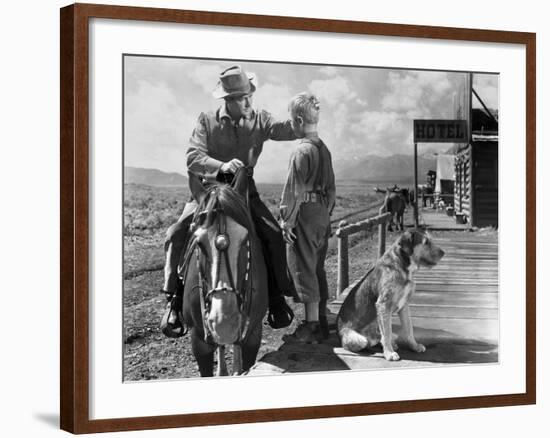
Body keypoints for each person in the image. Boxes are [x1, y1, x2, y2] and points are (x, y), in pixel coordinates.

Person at [161, 65, 297, 337]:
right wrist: (221, 166)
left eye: (249, 95)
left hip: (246, 191)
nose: (248, 102)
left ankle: (275, 298)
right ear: (228, 100)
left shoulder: (260, 119)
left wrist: (304, 119)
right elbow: (192, 157)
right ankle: (174, 301)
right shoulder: (206, 121)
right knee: (176, 233)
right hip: (208, 191)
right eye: (242, 97)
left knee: (271, 235)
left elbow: (284, 130)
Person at [279, 92, 336, 343]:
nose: (291, 125)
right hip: (322, 212)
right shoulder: (324, 149)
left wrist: (287, 220)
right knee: (317, 267)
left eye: (291, 121)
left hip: (305, 212)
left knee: (303, 267)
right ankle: (322, 321)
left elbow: (294, 190)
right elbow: (332, 189)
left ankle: (311, 326)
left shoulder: (301, 151)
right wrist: (326, 214)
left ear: (300, 120)